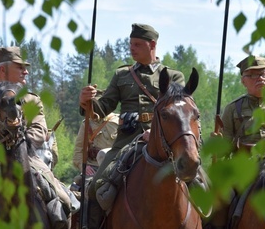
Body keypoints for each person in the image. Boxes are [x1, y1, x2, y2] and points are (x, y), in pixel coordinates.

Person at [78, 23, 185, 229]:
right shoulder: (122, 75)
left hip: (165, 144)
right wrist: (87, 101)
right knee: (95, 188)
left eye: (137, 44)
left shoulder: (173, 77)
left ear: (152, 45)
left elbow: (179, 111)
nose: (131, 48)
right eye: (130, 44)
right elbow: (103, 108)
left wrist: (154, 132)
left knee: (202, 185)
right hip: (126, 142)